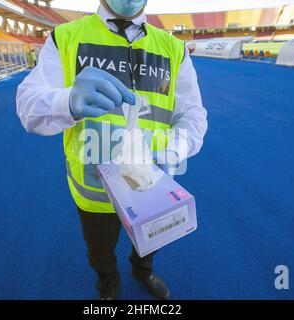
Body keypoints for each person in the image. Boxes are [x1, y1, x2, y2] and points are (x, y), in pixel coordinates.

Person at [16, 0, 207, 300]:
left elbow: (193, 115)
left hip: (150, 186)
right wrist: (66, 102)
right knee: (99, 251)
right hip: (93, 190)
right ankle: (108, 283)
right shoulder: (64, 37)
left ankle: (143, 271)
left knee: (149, 241)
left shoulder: (174, 48)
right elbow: (28, 107)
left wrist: (172, 151)